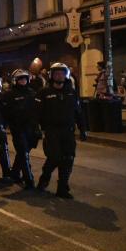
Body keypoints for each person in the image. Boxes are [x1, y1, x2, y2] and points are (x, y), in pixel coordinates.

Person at [36, 62, 81, 198]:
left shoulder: (71, 92)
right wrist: (36, 128)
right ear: (52, 75)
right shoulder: (44, 92)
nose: (59, 76)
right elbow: (37, 112)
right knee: (54, 157)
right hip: (52, 130)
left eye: (62, 73)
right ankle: (45, 178)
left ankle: (62, 187)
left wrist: (83, 128)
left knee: (68, 158)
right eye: (57, 73)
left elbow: (78, 111)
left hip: (68, 130)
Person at [1, 69, 37, 189]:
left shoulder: (32, 92)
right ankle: (29, 179)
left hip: (31, 127)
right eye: (20, 79)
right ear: (15, 81)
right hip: (18, 128)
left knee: (25, 151)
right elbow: (5, 112)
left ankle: (15, 172)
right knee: (23, 152)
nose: (23, 81)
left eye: (24, 78)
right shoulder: (9, 94)